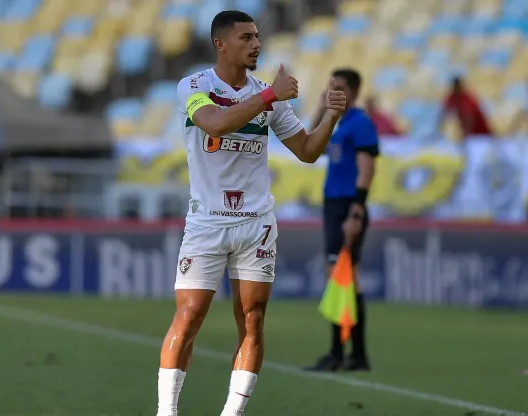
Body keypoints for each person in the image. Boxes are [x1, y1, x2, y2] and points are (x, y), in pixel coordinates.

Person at [156, 10, 346, 416]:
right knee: (189, 316)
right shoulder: (194, 86)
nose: (256, 44)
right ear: (221, 44)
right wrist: (269, 96)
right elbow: (216, 125)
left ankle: (233, 412)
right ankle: (166, 411)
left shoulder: (267, 95)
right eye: (246, 37)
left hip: (255, 224)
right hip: (206, 222)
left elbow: (308, 152)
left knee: (253, 319)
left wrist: (330, 116)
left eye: (257, 36)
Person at [304, 68, 379, 372]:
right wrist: (322, 108)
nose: (333, 92)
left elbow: (366, 170)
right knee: (342, 276)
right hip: (334, 206)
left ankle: (340, 353)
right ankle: (355, 355)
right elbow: (309, 143)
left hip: (347, 206)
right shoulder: (339, 123)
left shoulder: (360, 123)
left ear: (355, 92)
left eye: (340, 88)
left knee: (341, 276)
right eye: (329, 86)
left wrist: (356, 211)